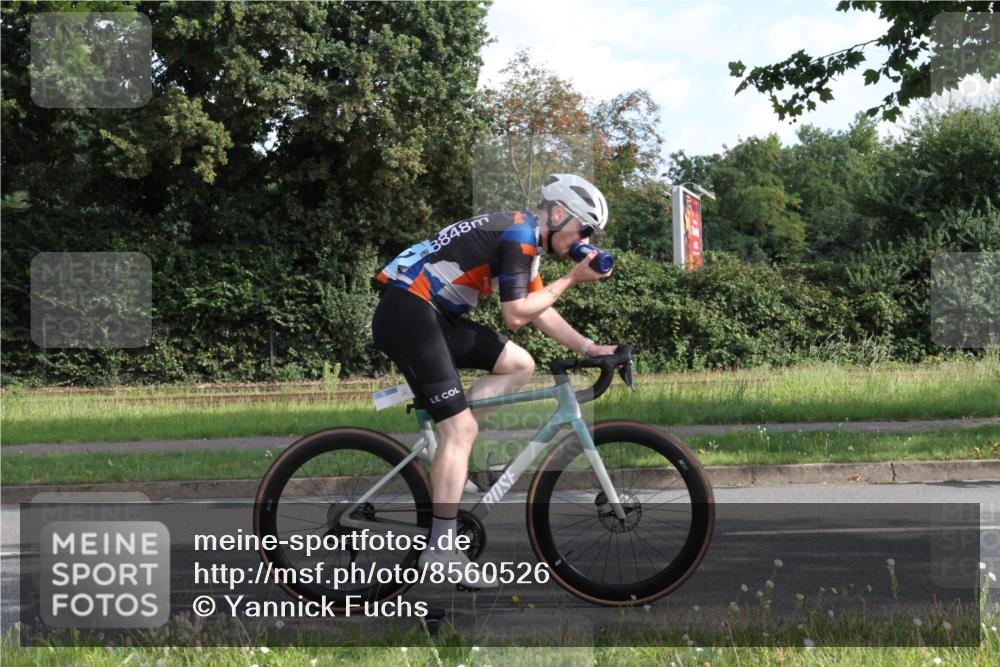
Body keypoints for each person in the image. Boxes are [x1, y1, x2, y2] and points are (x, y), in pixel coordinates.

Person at [371, 174, 617, 588]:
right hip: (409, 312)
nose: (585, 239)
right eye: (584, 229)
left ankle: (452, 451)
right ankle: (441, 549)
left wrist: (590, 348)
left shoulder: (523, 236)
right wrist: (572, 278)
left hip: (432, 314)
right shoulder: (519, 235)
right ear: (558, 214)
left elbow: (541, 311)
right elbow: (516, 314)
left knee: (518, 364)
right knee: (460, 426)